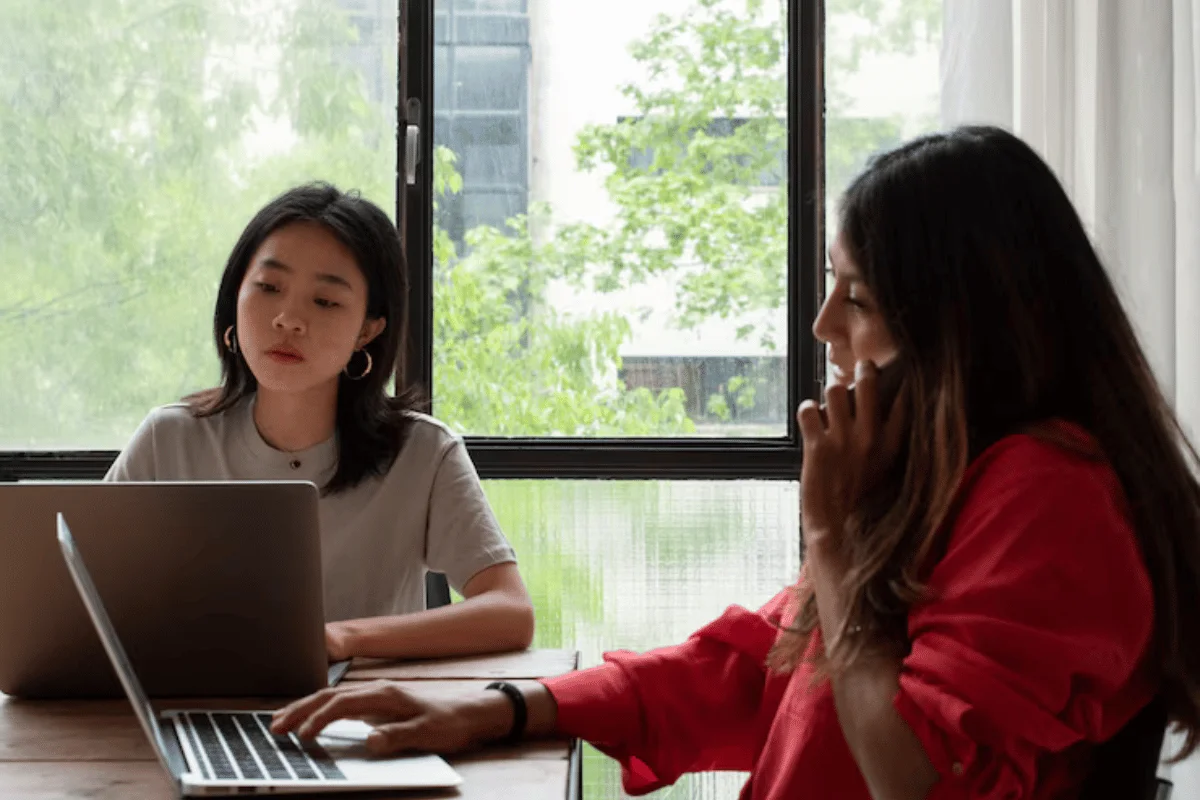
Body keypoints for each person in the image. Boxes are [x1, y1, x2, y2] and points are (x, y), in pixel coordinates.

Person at [270, 127, 1200, 798]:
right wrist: (500, 709)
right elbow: (752, 666)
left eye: (860, 299)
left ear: (964, 331)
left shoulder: (1052, 499)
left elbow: (913, 774)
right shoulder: (947, 483)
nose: (824, 326)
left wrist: (832, 534)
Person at [106, 183, 535, 663]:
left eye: (326, 302)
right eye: (269, 288)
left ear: (368, 329)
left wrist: (344, 639)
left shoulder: (422, 452)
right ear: (235, 299)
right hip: (186, 714)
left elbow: (510, 612)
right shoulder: (169, 440)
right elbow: (75, 599)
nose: (289, 319)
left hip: (358, 723)